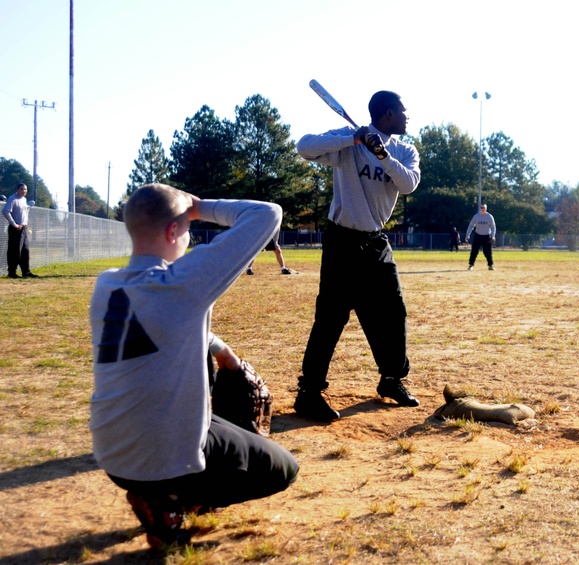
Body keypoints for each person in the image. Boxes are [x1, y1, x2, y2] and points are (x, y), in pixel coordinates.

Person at [89, 184, 299, 548]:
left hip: (112, 455)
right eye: (186, 228)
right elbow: (268, 214)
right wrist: (199, 207)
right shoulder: (182, 282)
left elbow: (165, 323)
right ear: (174, 231)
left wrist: (223, 351)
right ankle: (171, 500)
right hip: (163, 461)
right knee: (283, 470)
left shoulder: (107, 284)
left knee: (204, 371)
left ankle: (163, 493)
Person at [293, 90, 421, 421]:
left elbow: (407, 184)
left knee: (393, 312)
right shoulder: (351, 142)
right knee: (331, 316)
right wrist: (353, 138)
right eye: (403, 112)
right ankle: (309, 394)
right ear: (388, 114)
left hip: (376, 242)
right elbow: (304, 146)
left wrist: (381, 156)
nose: (407, 117)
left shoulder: (404, 150)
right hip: (342, 241)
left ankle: (391, 379)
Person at [3, 183, 38, 278]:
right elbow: (5, 211)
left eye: (25, 189)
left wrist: (25, 222)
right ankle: (12, 272)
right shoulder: (13, 199)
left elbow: (24, 212)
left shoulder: (24, 199)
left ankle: (26, 272)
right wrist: (14, 224)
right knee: (15, 251)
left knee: (25, 250)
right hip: (15, 229)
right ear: (17, 190)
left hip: (23, 228)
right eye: (22, 189)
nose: (24, 191)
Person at [466, 203, 496, 270]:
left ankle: (490, 265)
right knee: (474, 251)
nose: (482, 209)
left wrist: (493, 236)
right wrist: (468, 234)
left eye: (483, 208)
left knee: (488, 252)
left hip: (486, 236)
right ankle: (471, 265)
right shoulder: (476, 216)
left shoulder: (489, 217)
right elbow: (471, 226)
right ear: (480, 208)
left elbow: (493, 227)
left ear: (486, 209)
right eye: (481, 207)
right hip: (478, 235)